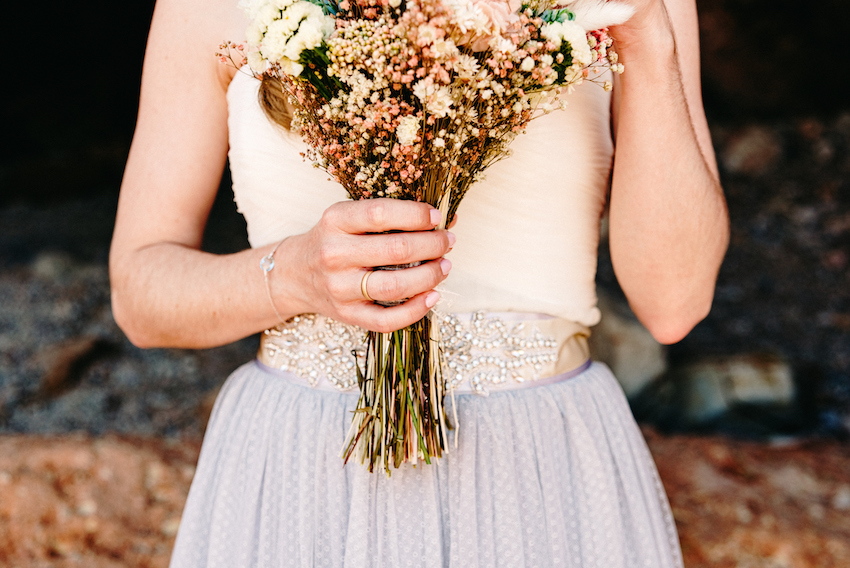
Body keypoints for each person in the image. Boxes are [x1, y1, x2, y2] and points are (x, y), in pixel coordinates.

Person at [110, 0, 729, 565]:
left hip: (541, 465)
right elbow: (140, 295)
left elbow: (676, 303)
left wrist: (648, 35)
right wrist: (293, 277)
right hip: (303, 466)